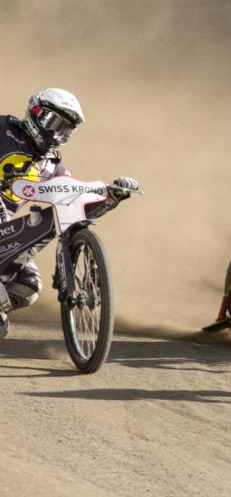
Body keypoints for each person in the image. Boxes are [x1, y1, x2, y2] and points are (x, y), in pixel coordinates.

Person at [0, 88, 139, 337]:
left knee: (29, 286)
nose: (57, 133)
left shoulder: (53, 165)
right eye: (54, 123)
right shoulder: (4, 128)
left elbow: (74, 206)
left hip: (5, 228)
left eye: (66, 129)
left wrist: (112, 196)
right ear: (35, 113)